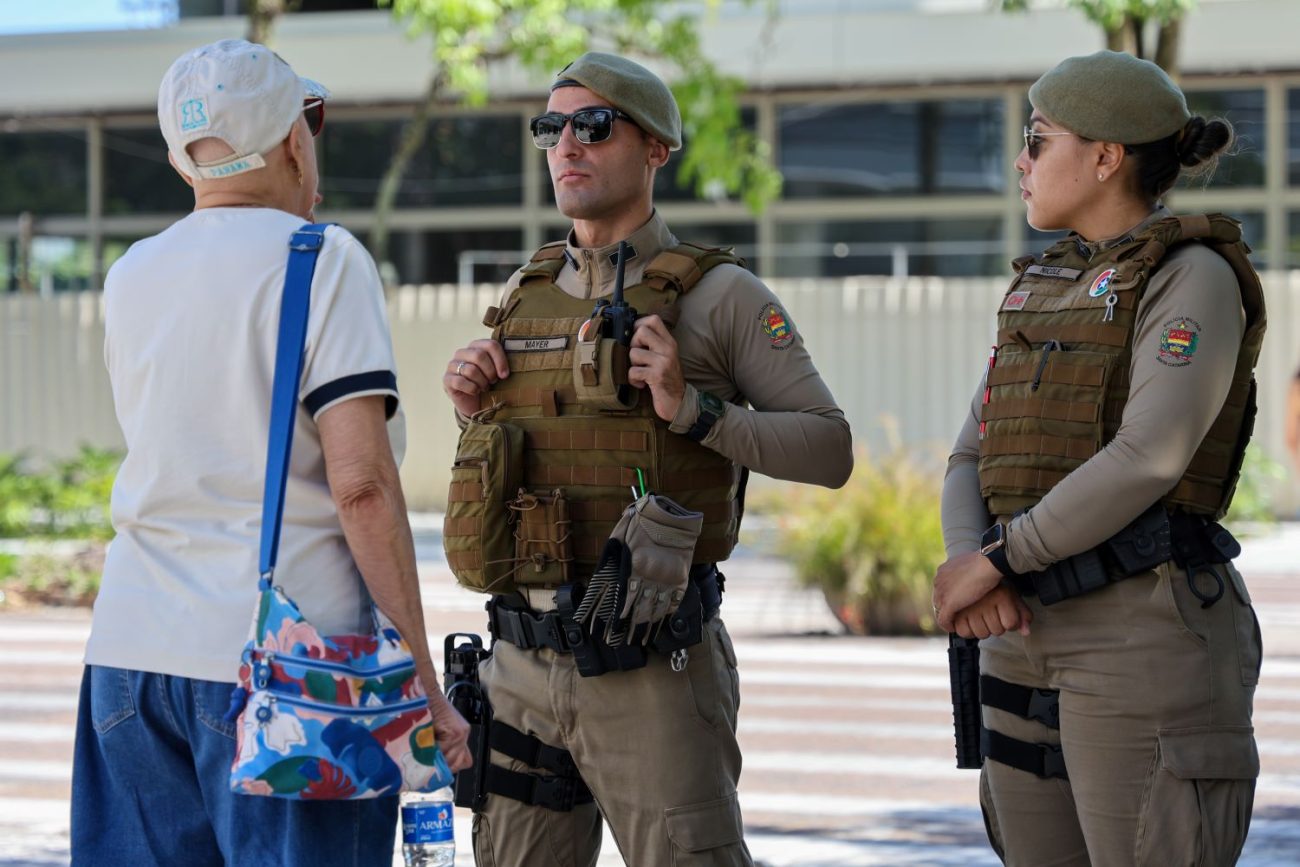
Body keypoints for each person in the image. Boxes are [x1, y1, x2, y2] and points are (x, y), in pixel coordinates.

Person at [439, 52, 853, 867]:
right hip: (520, 664)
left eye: (593, 125)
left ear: (657, 147)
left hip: (654, 668)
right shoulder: (526, 293)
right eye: (550, 128)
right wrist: (471, 410)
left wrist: (692, 410)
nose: (567, 145)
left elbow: (828, 447)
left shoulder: (719, 295)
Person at [70, 39, 470, 866]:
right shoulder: (322, 260)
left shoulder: (132, 274)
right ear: (295, 140)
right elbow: (360, 486)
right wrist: (423, 686)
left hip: (127, 658)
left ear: (189, 163)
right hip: (293, 675)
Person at [933, 50, 1266, 866]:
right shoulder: (1042, 283)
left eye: (1037, 139)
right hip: (1019, 627)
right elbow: (970, 451)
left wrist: (998, 558)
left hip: (1139, 632)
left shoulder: (1192, 277)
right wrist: (965, 564)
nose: (1020, 160)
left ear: (1106, 156)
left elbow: (1151, 455)